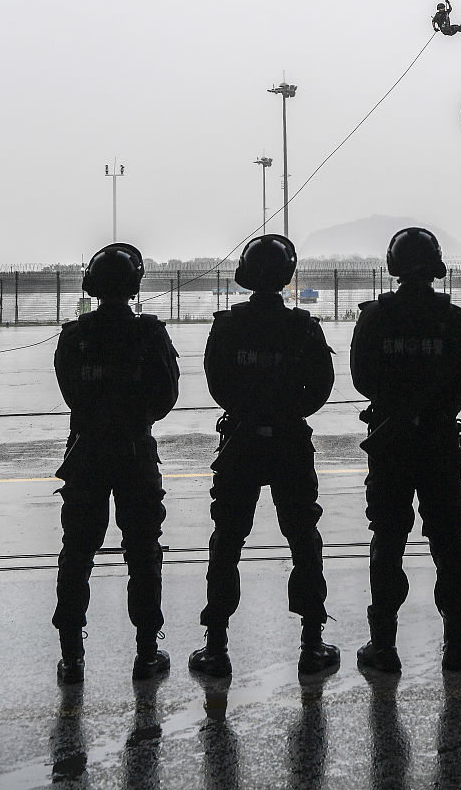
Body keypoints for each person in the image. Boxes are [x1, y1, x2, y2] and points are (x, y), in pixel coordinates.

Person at [189, 234, 339, 679]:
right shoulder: (304, 328)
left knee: (228, 540)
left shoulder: (228, 326)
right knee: (303, 539)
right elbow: (321, 388)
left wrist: (250, 410)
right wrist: (286, 410)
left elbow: (218, 383)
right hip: (290, 442)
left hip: (241, 441)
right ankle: (312, 642)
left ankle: (216, 646)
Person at [350, 227, 461, 672]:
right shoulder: (455, 320)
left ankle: (383, 645)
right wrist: (438, 403)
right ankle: (456, 644)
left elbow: (362, 378)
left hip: (391, 444)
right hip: (440, 442)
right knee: (449, 541)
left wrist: (398, 403)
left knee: (387, 539)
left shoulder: (375, 318)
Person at [52, 243, 180, 683]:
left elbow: (71, 392)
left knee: (78, 550)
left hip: (87, 452)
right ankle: (146, 652)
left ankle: (71, 656)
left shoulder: (75, 336)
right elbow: (165, 400)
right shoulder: (149, 334)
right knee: (143, 550)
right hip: (133, 452)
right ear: (133, 285)